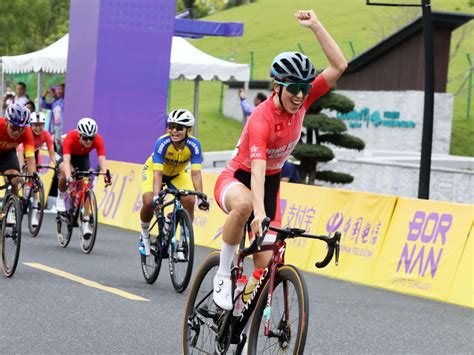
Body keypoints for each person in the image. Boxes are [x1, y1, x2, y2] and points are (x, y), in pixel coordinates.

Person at [212, 9, 347, 311]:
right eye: (294, 88)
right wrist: (259, 213)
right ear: (277, 86)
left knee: (268, 263)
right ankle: (222, 273)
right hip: (238, 177)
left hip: (271, 183)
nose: (300, 95)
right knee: (245, 206)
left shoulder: (303, 102)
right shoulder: (260, 119)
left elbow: (339, 65)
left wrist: (316, 26)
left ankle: (243, 329)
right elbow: (257, 170)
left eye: (305, 88)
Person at [138, 109, 209, 257]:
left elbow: (195, 172)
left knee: (189, 199)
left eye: (179, 128)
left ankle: (183, 241)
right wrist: (157, 196)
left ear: (188, 130)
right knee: (149, 201)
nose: (174, 131)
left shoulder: (194, 145)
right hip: (154, 171)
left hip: (177, 174)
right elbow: (157, 173)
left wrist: (201, 195)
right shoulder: (162, 142)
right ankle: (144, 235)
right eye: (171, 126)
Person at [56, 117, 111, 239]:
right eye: (85, 138)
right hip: (66, 155)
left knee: (85, 186)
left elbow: (102, 158)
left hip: (82, 157)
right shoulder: (70, 137)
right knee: (66, 173)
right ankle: (60, 196)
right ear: (79, 135)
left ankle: (86, 220)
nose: (88, 141)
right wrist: (69, 176)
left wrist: (106, 174)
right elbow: (66, 160)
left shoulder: (98, 140)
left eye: (91, 138)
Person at [17, 112, 56, 226]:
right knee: (19, 174)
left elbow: (52, 153)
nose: (38, 128)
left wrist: (56, 165)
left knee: (35, 181)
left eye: (41, 125)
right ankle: (18, 193)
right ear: (30, 125)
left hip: (34, 154)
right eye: (35, 125)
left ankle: (34, 211)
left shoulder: (46, 135)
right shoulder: (26, 132)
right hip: (21, 152)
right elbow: (20, 150)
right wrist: (20, 165)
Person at [0, 104, 36, 224]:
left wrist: (33, 178)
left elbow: (30, 157)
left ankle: (11, 210)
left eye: (21, 128)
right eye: (14, 127)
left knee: (14, 178)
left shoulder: (27, 133)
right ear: (6, 121)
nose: (17, 132)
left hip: (7, 154)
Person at [41, 84, 64, 152]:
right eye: (57, 89)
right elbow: (44, 105)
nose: (58, 91)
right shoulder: (55, 102)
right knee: (56, 145)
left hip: (62, 128)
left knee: (61, 145)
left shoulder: (65, 102)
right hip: (55, 128)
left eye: (61, 89)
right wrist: (43, 96)